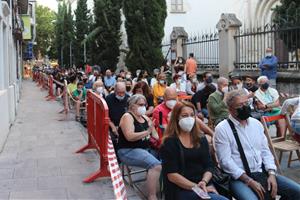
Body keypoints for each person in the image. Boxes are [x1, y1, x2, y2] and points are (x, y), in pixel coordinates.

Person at [214, 89, 300, 200]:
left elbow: (265, 151)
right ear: (230, 109)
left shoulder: (256, 124)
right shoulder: (222, 129)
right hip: (238, 178)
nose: (245, 107)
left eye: (246, 103)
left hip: (262, 172)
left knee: (297, 192)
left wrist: (271, 173)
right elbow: (225, 162)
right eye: (240, 105)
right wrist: (249, 181)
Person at [160, 101, 228, 200]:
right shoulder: (170, 142)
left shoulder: (200, 138)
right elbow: (172, 175)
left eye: (192, 115)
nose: (189, 119)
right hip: (181, 188)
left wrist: (204, 182)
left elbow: (209, 165)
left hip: (203, 184)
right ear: (176, 118)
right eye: (184, 115)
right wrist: (197, 188)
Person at [117, 94, 161, 200]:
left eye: (144, 104)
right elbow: (130, 136)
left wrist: (155, 129)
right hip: (128, 150)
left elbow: (155, 136)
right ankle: (152, 196)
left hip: (145, 149)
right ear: (132, 105)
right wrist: (147, 132)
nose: (143, 107)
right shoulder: (128, 116)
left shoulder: (145, 117)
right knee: (156, 166)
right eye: (140, 104)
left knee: (170, 158)